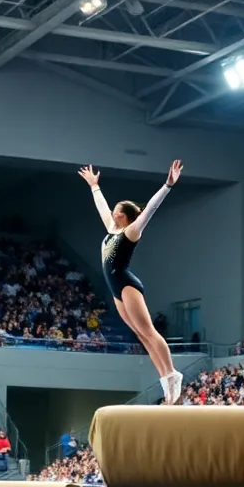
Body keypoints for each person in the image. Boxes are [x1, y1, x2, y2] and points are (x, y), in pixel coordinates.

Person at [79, 159, 185, 404]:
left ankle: (173, 374)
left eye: (117, 210)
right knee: (140, 334)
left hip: (127, 285)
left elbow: (150, 209)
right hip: (116, 290)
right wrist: (94, 186)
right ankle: (165, 381)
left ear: (124, 216)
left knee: (149, 331)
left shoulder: (131, 232)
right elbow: (101, 207)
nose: (112, 212)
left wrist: (167, 185)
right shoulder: (111, 229)